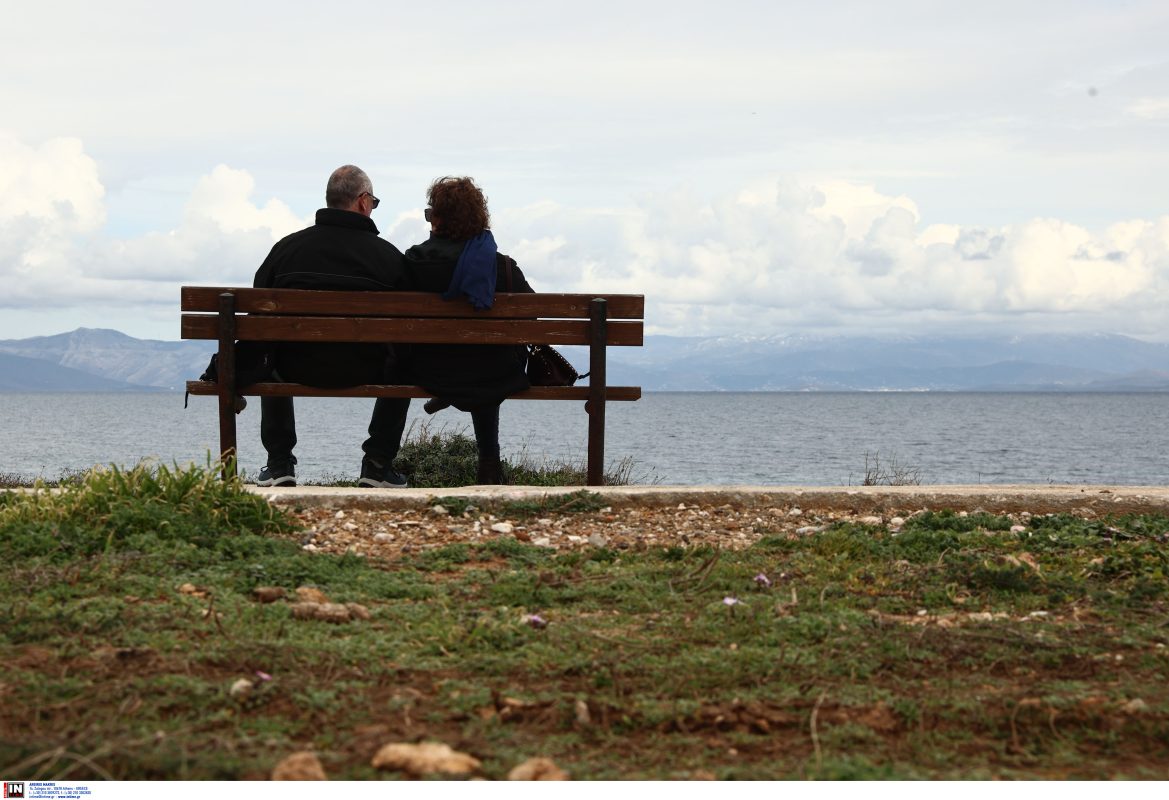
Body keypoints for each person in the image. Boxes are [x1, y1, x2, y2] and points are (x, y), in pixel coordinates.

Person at [252, 165, 411, 489]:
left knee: (269, 353)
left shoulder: (286, 251)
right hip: (369, 369)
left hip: (294, 368)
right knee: (406, 361)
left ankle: (280, 462)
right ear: (363, 202)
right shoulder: (389, 258)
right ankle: (377, 464)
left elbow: (257, 314)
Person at [400, 176, 534, 484]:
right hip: (493, 374)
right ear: (478, 218)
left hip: (429, 370)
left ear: (437, 220)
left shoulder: (412, 262)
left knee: (469, 360)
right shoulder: (501, 267)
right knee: (485, 360)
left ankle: (379, 462)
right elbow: (533, 319)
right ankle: (489, 462)